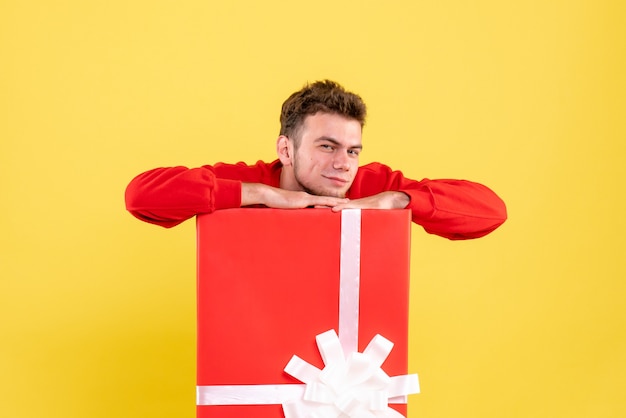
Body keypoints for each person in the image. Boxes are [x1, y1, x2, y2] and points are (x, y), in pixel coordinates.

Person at [125, 80, 506, 240]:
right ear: (285, 150)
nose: (344, 163)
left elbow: (491, 211)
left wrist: (398, 200)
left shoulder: (369, 186)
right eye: (327, 146)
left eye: (352, 150)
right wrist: (264, 195)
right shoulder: (249, 181)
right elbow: (141, 196)